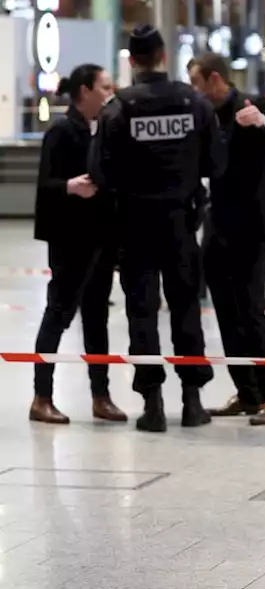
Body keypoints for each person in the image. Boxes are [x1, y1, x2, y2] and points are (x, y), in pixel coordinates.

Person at [89, 25, 225, 433]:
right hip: (181, 223)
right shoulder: (194, 103)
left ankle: (152, 404)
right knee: (186, 310)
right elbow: (215, 165)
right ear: (163, 56)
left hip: (135, 226)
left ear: (131, 61)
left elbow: (100, 171)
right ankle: (193, 400)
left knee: (141, 315)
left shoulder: (119, 108)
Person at [186, 53, 265, 426]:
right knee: (226, 314)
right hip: (218, 225)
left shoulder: (253, 104)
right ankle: (246, 392)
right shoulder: (203, 115)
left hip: (251, 225)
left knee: (251, 312)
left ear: (214, 79)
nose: (194, 91)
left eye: (197, 83)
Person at [30, 63, 126, 425]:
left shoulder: (101, 130)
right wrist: (70, 186)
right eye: (104, 86)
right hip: (71, 239)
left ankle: (101, 395)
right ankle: (42, 396)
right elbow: (44, 184)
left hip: (100, 237)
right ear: (84, 91)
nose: (109, 92)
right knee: (58, 313)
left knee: (97, 317)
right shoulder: (60, 130)